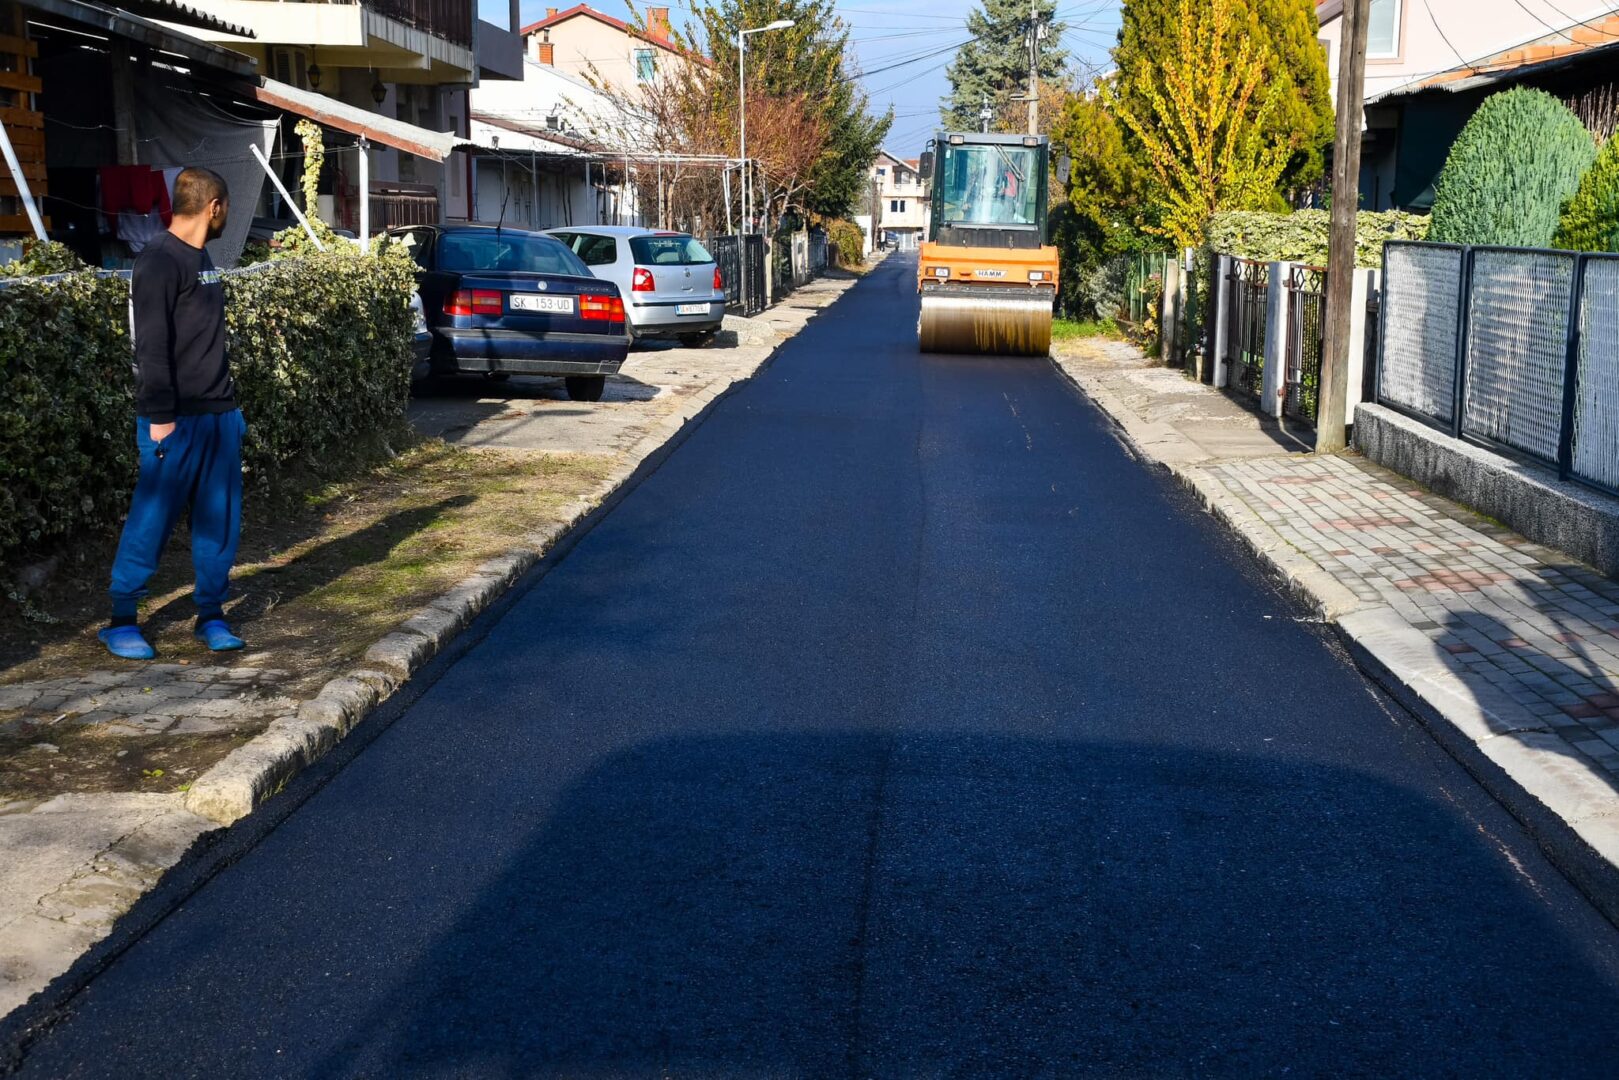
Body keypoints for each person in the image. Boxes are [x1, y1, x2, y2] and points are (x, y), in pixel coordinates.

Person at [98, 166, 247, 661]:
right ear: (214, 206)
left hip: (218, 414)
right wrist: (160, 417)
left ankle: (210, 615)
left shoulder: (200, 255)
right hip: (173, 420)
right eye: (226, 206)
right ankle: (122, 620)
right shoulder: (158, 260)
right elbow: (152, 346)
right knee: (152, 518)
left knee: (218, 522)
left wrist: (231, 410)